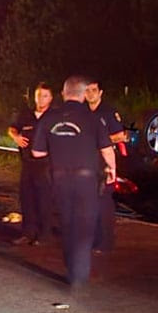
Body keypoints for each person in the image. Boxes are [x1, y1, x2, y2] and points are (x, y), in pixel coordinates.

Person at [30, 75, 117, 291]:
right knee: (85, 226)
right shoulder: (93, 118)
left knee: (67, 224)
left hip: (60, 179)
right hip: (87, 180)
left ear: (63, 93)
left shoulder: (49, 118)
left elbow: (36, 152)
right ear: (84, 93)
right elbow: (107, 149)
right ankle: (80, 274)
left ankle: (72, 270)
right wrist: (112, 169)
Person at [7, 82, 55, 246]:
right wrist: (16, 137)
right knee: (27, 198)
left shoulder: (54, 117)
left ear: (51, 98)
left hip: (46, 165)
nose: (41, 99)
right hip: (27, 163)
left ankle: (44, 235)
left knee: (44, 200)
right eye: (39, 95)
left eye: (45, 95)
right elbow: (12, 128)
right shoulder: (25, 115)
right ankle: (28, 233)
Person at [83, 78, 127, 253]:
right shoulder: (83, 112)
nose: (90, 93)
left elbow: (121, 135)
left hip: (105, 162)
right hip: (87, 162)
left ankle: (106, 242)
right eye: (87, 91)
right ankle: (93, 240)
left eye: (94, 90)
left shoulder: (108, 112)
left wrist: (101, 141)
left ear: (100, 92)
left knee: (104, 203)